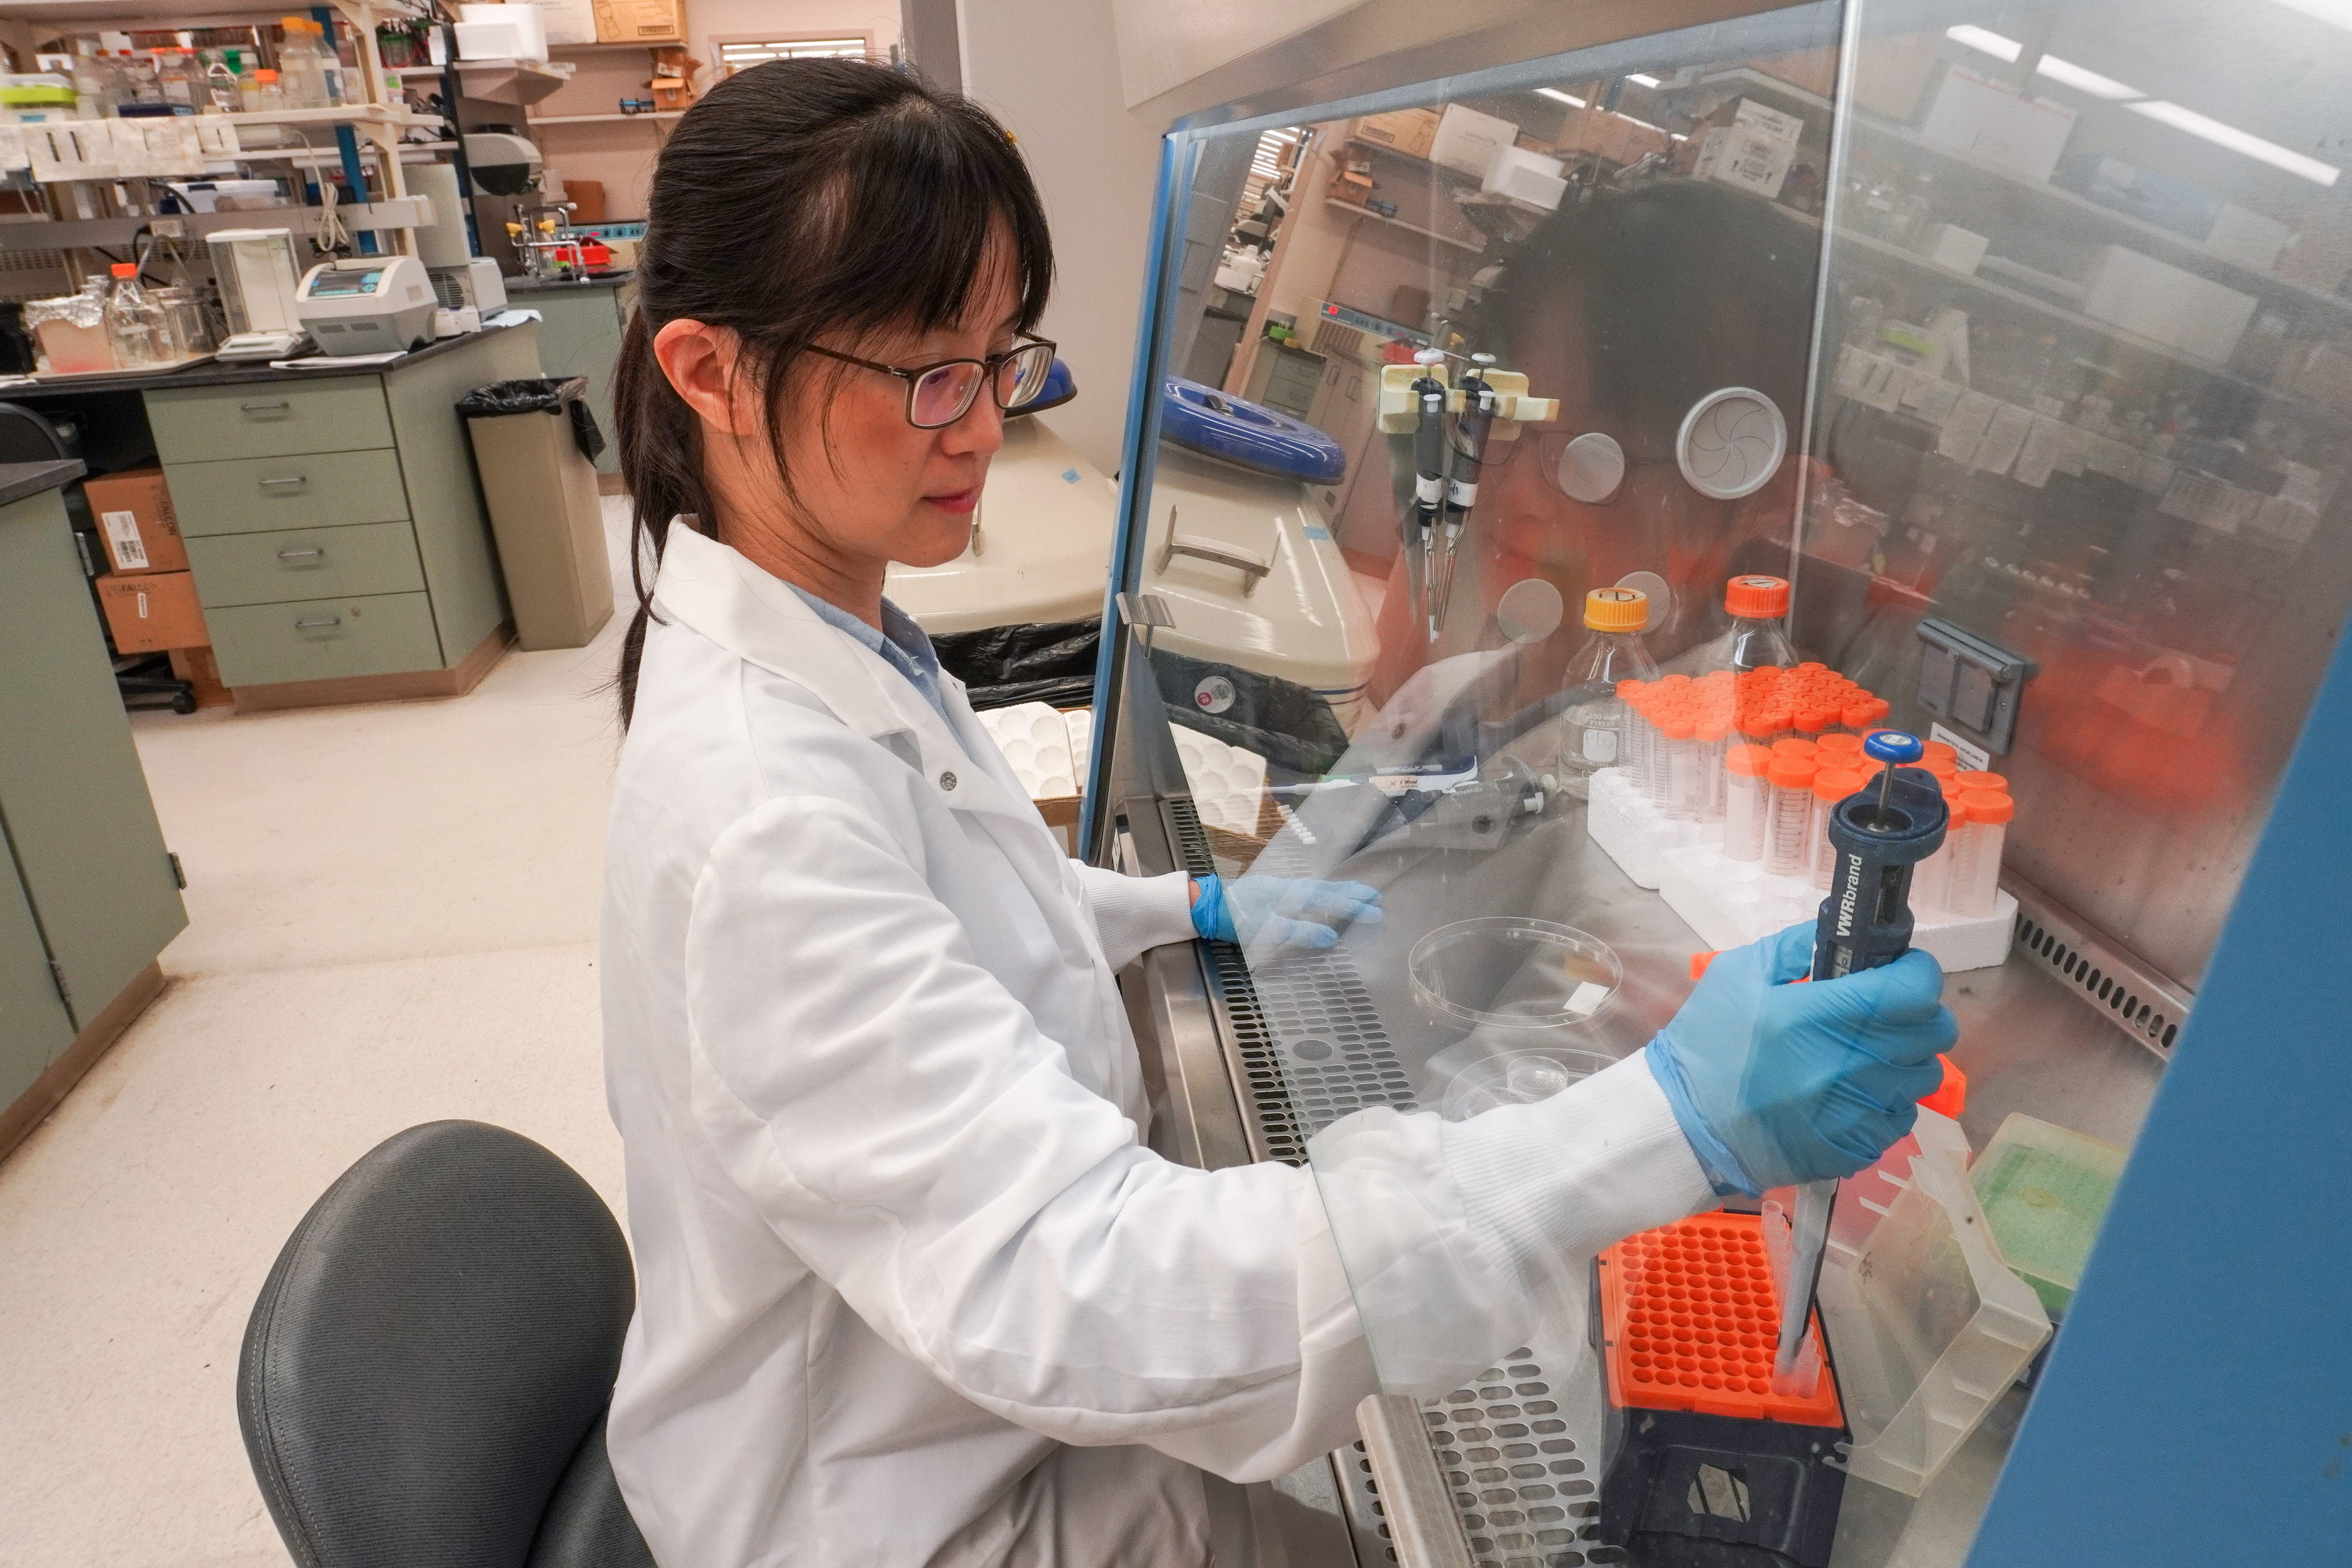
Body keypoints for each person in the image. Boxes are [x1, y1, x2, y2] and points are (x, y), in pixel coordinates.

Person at [599, 58, 1955, 1567]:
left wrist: (1161, 907)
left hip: (956, 1418)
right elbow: (1095, 1294)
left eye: (1003, 359)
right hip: (893, 1509)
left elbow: (929, 900)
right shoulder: (762, 812)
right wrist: (1667, 1124)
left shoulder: (835, 639)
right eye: (928, 374)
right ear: (708, 373)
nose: (982, 427)